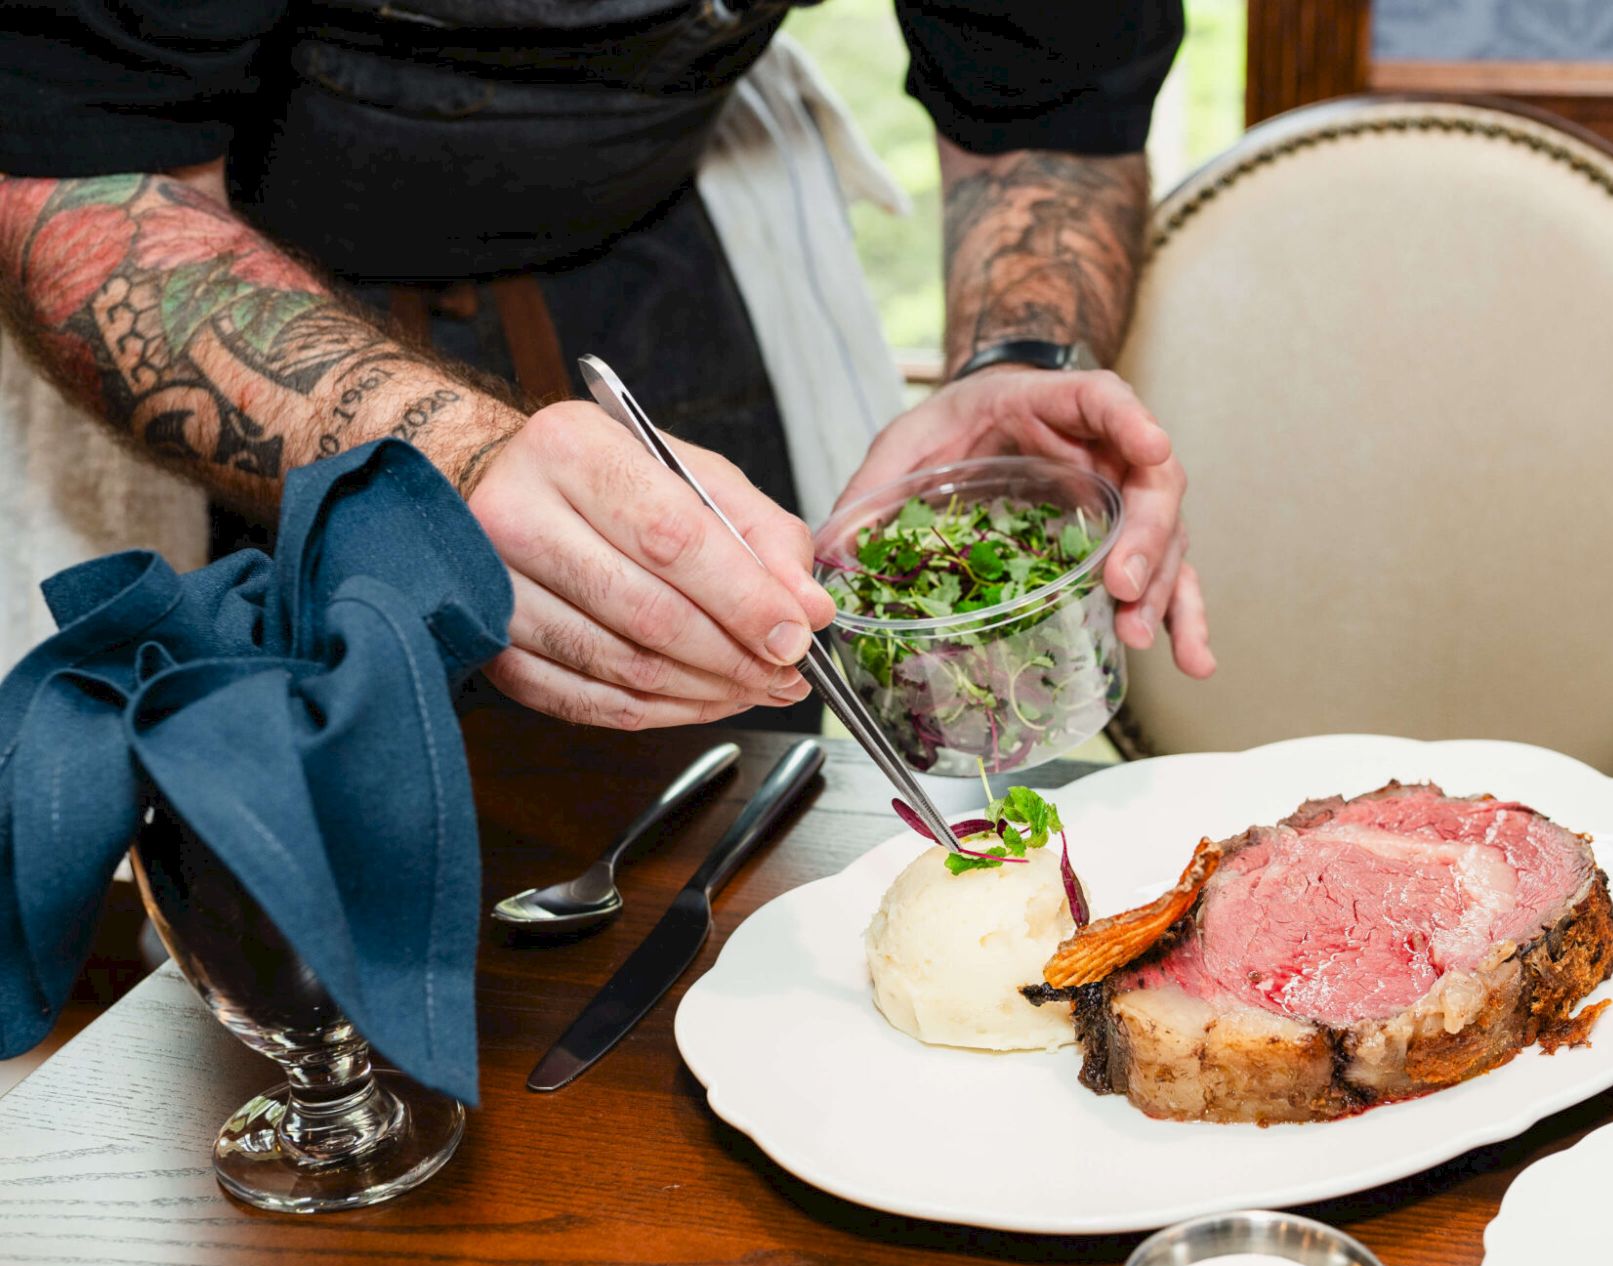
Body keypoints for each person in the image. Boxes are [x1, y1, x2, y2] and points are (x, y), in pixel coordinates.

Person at [0, 3, 1214, 732]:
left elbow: (1046, 113)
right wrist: (455, 449)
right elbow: (75, 173)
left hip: (654, 247)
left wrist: (1013, 353)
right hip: (211, 294)